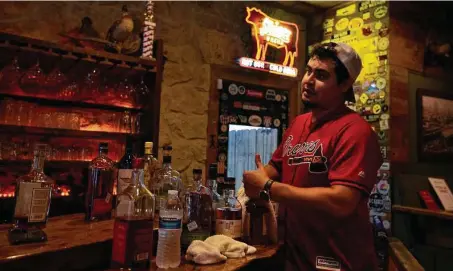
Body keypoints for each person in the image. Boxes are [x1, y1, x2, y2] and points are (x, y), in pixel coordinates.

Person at [242, 42, 383, 271]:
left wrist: (268, 187)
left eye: (321, 75)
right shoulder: (299, 123)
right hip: (296, 258)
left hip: (339, 263)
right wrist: (257, 178)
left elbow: (342, 201)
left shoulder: (356, 131)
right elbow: (277, 165)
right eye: (308, 71)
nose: (308, 80)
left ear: (345, 84)